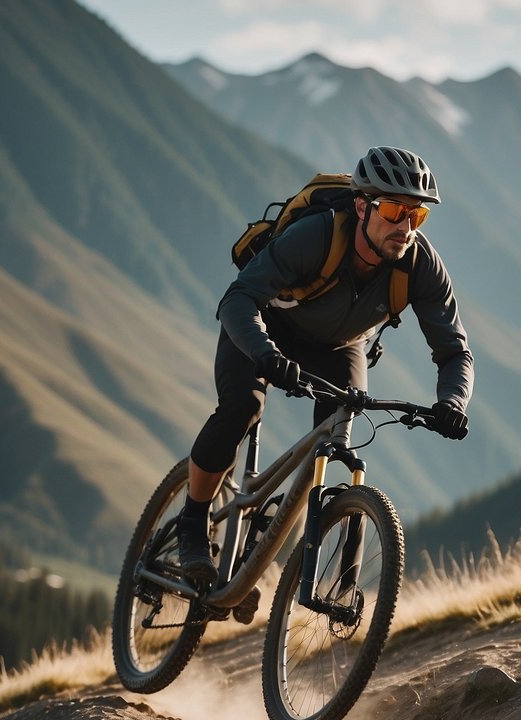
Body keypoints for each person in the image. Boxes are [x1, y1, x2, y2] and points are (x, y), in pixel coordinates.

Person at [177, 146, 474, 585]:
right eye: (394, 210)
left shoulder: (420, 265)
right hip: (266, 327)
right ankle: (192, 521)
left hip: (339, 346)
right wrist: (265, 355)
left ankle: (262, 558)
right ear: (361, 206)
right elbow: (238, 300)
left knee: (334, 442)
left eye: (417, 216)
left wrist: (452, 401)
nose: (405, 226)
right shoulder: (316, 237)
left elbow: (455, 351)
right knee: (241, 407)